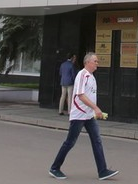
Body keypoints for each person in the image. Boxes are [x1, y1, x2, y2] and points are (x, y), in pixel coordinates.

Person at [49, 52, 117, 181]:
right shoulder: (82, 75)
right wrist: (96, 108)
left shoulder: (91, 77)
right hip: (79, 115)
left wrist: (94, 110)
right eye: (95, 61)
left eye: (97, 61)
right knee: (70, 142)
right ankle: (54, 168)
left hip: (88, 116)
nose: (97, 63)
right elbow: (80, 95)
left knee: (97, 141)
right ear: (87, 62)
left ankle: (102, 171)